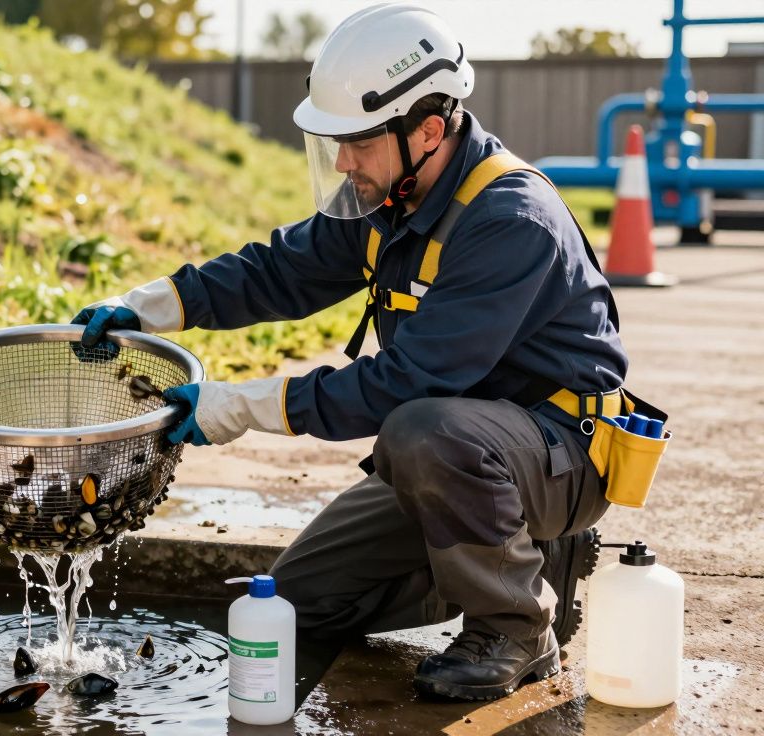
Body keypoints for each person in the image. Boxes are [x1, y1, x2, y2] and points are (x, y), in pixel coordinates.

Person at [71, 3, 628, 702]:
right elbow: (280, 270)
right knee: (302, 604)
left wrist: (238, 407)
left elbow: (408, 383)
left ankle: (515, 625)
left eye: (359, 142)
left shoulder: (511, 221)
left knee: (421, 430)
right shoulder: (388, 195)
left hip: (557, 453)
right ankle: (518, 560)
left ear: (429, 128)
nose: (343, 161)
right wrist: (154, 304)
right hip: (463, 458)